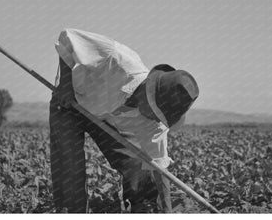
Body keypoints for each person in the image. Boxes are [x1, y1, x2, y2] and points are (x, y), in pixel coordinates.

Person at [49, 28, 199, 213]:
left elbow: (159, 169)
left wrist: (167, 211)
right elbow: (68, 37)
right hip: (69, 103)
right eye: (155, 112)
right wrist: (65, 86)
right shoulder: (115, 58)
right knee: (69, 166)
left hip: (104, 117)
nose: (154, 119)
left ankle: (143, 208)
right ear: (148, 92)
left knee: (136, 163)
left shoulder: (155, 125)